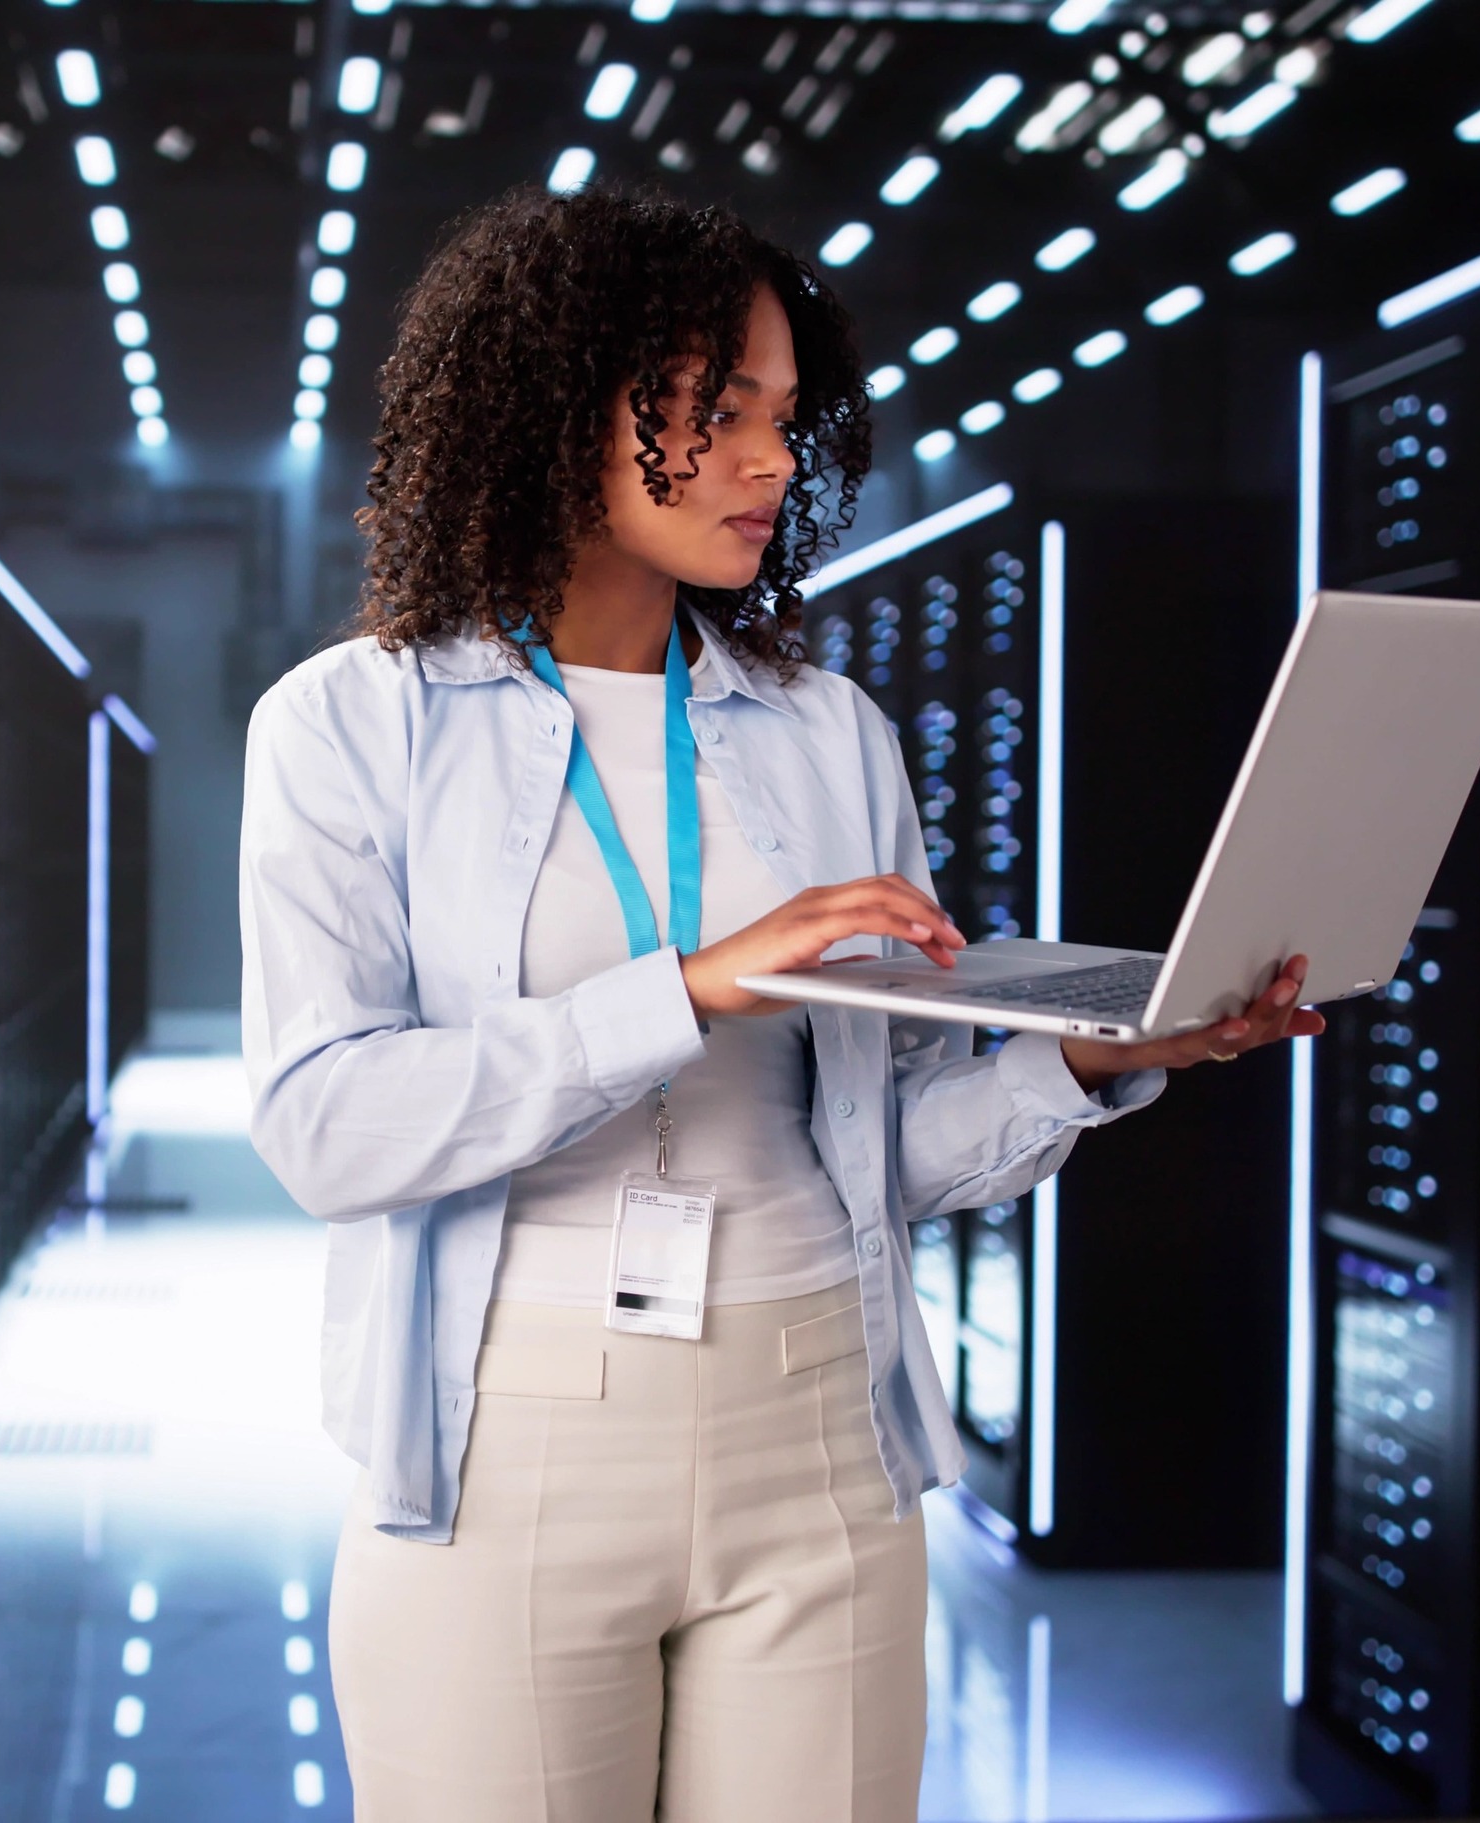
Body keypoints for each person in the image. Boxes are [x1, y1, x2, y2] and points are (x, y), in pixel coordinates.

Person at [238, 184, 1322, 1823]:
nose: (767, 462)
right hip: (509, 1442)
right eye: (711, 412)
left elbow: (881, 1150)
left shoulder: (830, 735)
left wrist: (1090, 1062)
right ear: (549, 406)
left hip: (821, 1426)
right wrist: (681, 990)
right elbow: (329, 1126)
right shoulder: (351, 724)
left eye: (784, 419)